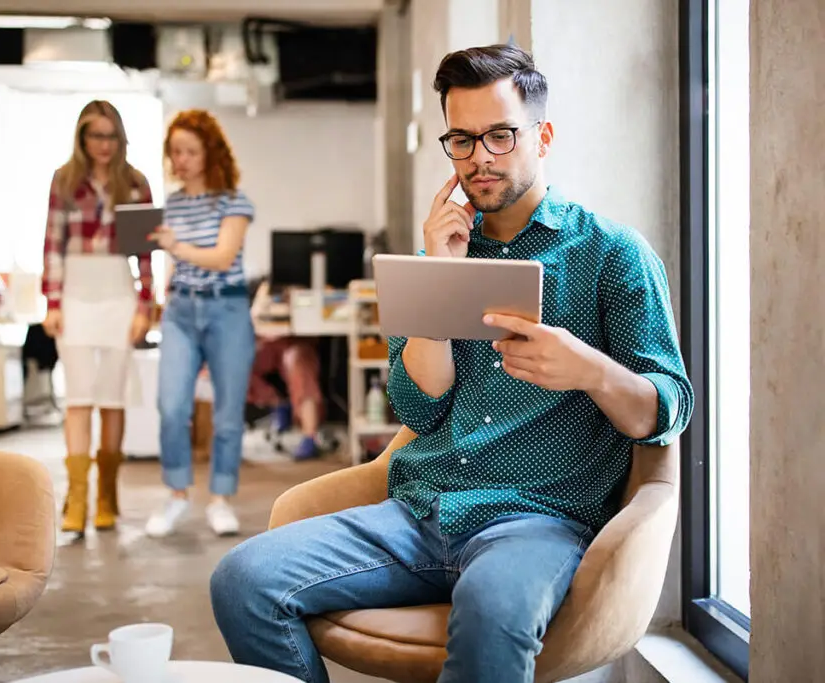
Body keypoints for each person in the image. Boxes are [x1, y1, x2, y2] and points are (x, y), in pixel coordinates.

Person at [209, 44, 694, 683]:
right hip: (420, 511)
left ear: (541, 136)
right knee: (242, 579)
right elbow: (417, 407)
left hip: (537, 520)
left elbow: (668, 410)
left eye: (499, 135)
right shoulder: (437, 255)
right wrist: (440, 274)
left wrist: (588, 369)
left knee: (493, 607)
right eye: (462, 141)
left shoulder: (613, 255)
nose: (479, 159)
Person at [41, 100, 154, 535]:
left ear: (120, 138)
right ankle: (77, 499)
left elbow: (145, 252)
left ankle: (106, 495)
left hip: (118, 296)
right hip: (75, 296)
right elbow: (52, 242)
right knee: (78, 398)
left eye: (110, 136)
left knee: (112, 399)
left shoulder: (136, 183)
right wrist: (52, 302)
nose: (103, 145)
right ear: (82, 137)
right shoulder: (65, 181)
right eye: (95, 135)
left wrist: (145, 305)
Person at [144, 110, 256, 538]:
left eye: (190, 150)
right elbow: (175, 263)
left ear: (210, 152)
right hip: (181, 312)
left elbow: (223, 257)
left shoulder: (234, 201)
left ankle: (221, 498)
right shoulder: (171, 204)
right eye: (175, 151)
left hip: (227, 310)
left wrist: (175, 245)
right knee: (171, 406)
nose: (182, 159)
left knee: (227, 414)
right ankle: (176, 494)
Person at [247, 279, 325, 460]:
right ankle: (278, 404)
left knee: (299, 363)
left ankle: (309, 436)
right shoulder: (264, 287)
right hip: (267, 343)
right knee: (237, 364)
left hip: (296, 342)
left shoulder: (308, 286)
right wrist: (265, 301)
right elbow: (254, 317)